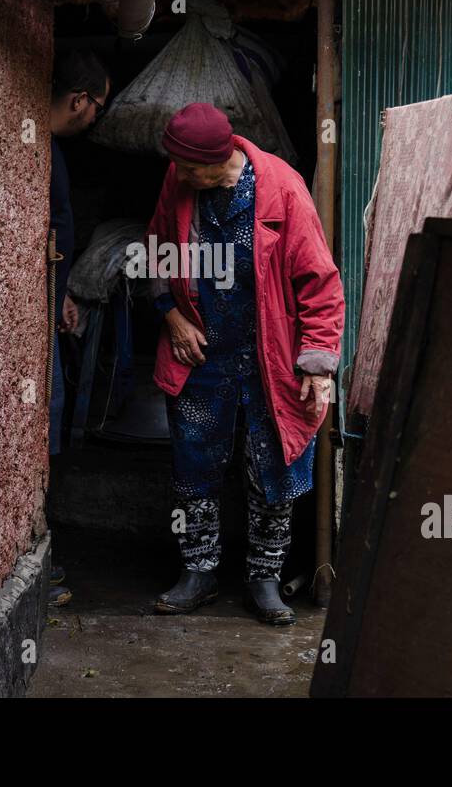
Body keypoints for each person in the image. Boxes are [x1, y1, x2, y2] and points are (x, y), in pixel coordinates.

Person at [145, 103, 344, 626]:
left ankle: (264, 579)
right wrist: (171, 317)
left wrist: (317, 365)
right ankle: (198, 572)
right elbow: (157, 251)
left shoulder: (282, 188)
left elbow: (320, 284)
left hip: (268, 355)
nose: (180, 177)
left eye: (189, 169)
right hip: (202, 354)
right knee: (194, 464)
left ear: (219, 159)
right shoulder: (180, 178)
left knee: (271, 467)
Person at [47, 48, 110, 606]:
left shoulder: (51, 156)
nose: (95, 120)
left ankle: (39, 552)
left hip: (47, 305)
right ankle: (38, 558)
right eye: (97, 107)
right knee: (45, 423)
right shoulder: (42, 155)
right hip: (36, 315)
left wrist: (64, 289)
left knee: (52, 420)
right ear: (77, 100)